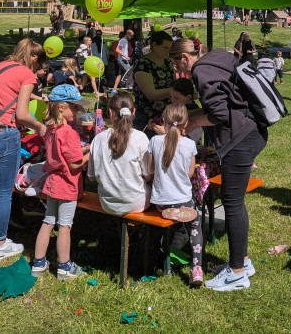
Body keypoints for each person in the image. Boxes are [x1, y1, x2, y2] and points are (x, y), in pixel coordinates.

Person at [169, 38, 267, 291]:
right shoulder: (219, 56)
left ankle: (236, 274)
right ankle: (242, 262)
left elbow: (219, 114)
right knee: (234, 200)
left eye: (176, 64)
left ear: (183, 57)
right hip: (254, 129)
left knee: (232, 202)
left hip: (241, 137)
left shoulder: (200, 70)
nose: (178, 71)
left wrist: (192, 121)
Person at [0, 38, 49, 261]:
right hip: (3, 135)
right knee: (4, 193)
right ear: (34, 57)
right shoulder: (26, 74)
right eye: (39, 64)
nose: (38, 70)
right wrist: (40, 127)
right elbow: (22, 115)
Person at [30, 85, 91, 280]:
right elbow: (74, 165)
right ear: (63, 108)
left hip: (53, 183)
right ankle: (64, 266)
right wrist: (92, 152)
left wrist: (85, 148)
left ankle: (38, 263)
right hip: (67, 185)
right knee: (65, 226)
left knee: (48, 221)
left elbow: (63, 155)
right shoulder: (70, 133)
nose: (79, 111)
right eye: (76, 107)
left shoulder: (50, 130)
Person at [147, 103, 203, 286]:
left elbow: (149, 169)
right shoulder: (189, 144)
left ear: (163, 121)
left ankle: (154, 258)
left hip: (161, 203)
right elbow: (190, 173)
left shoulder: (154, 141)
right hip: (183, 202)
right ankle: (197, 268)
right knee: (195, 225)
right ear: (185, 124)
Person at [88, 92, 152, 215]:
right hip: (137, 203)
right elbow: (148, 175)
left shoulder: (98, 139)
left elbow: (91, 177)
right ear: (133, 112)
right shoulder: (141, 138)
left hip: (108, 204)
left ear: (111, 113)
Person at [132, 30, 174, 135]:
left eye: (169, 48)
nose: (167, 51)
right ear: (154, 45)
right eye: (165, 48)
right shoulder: (143, 65)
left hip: (167, 115)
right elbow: (150, 94)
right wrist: (173, 91)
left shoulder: (168, 63)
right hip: (147, 117)